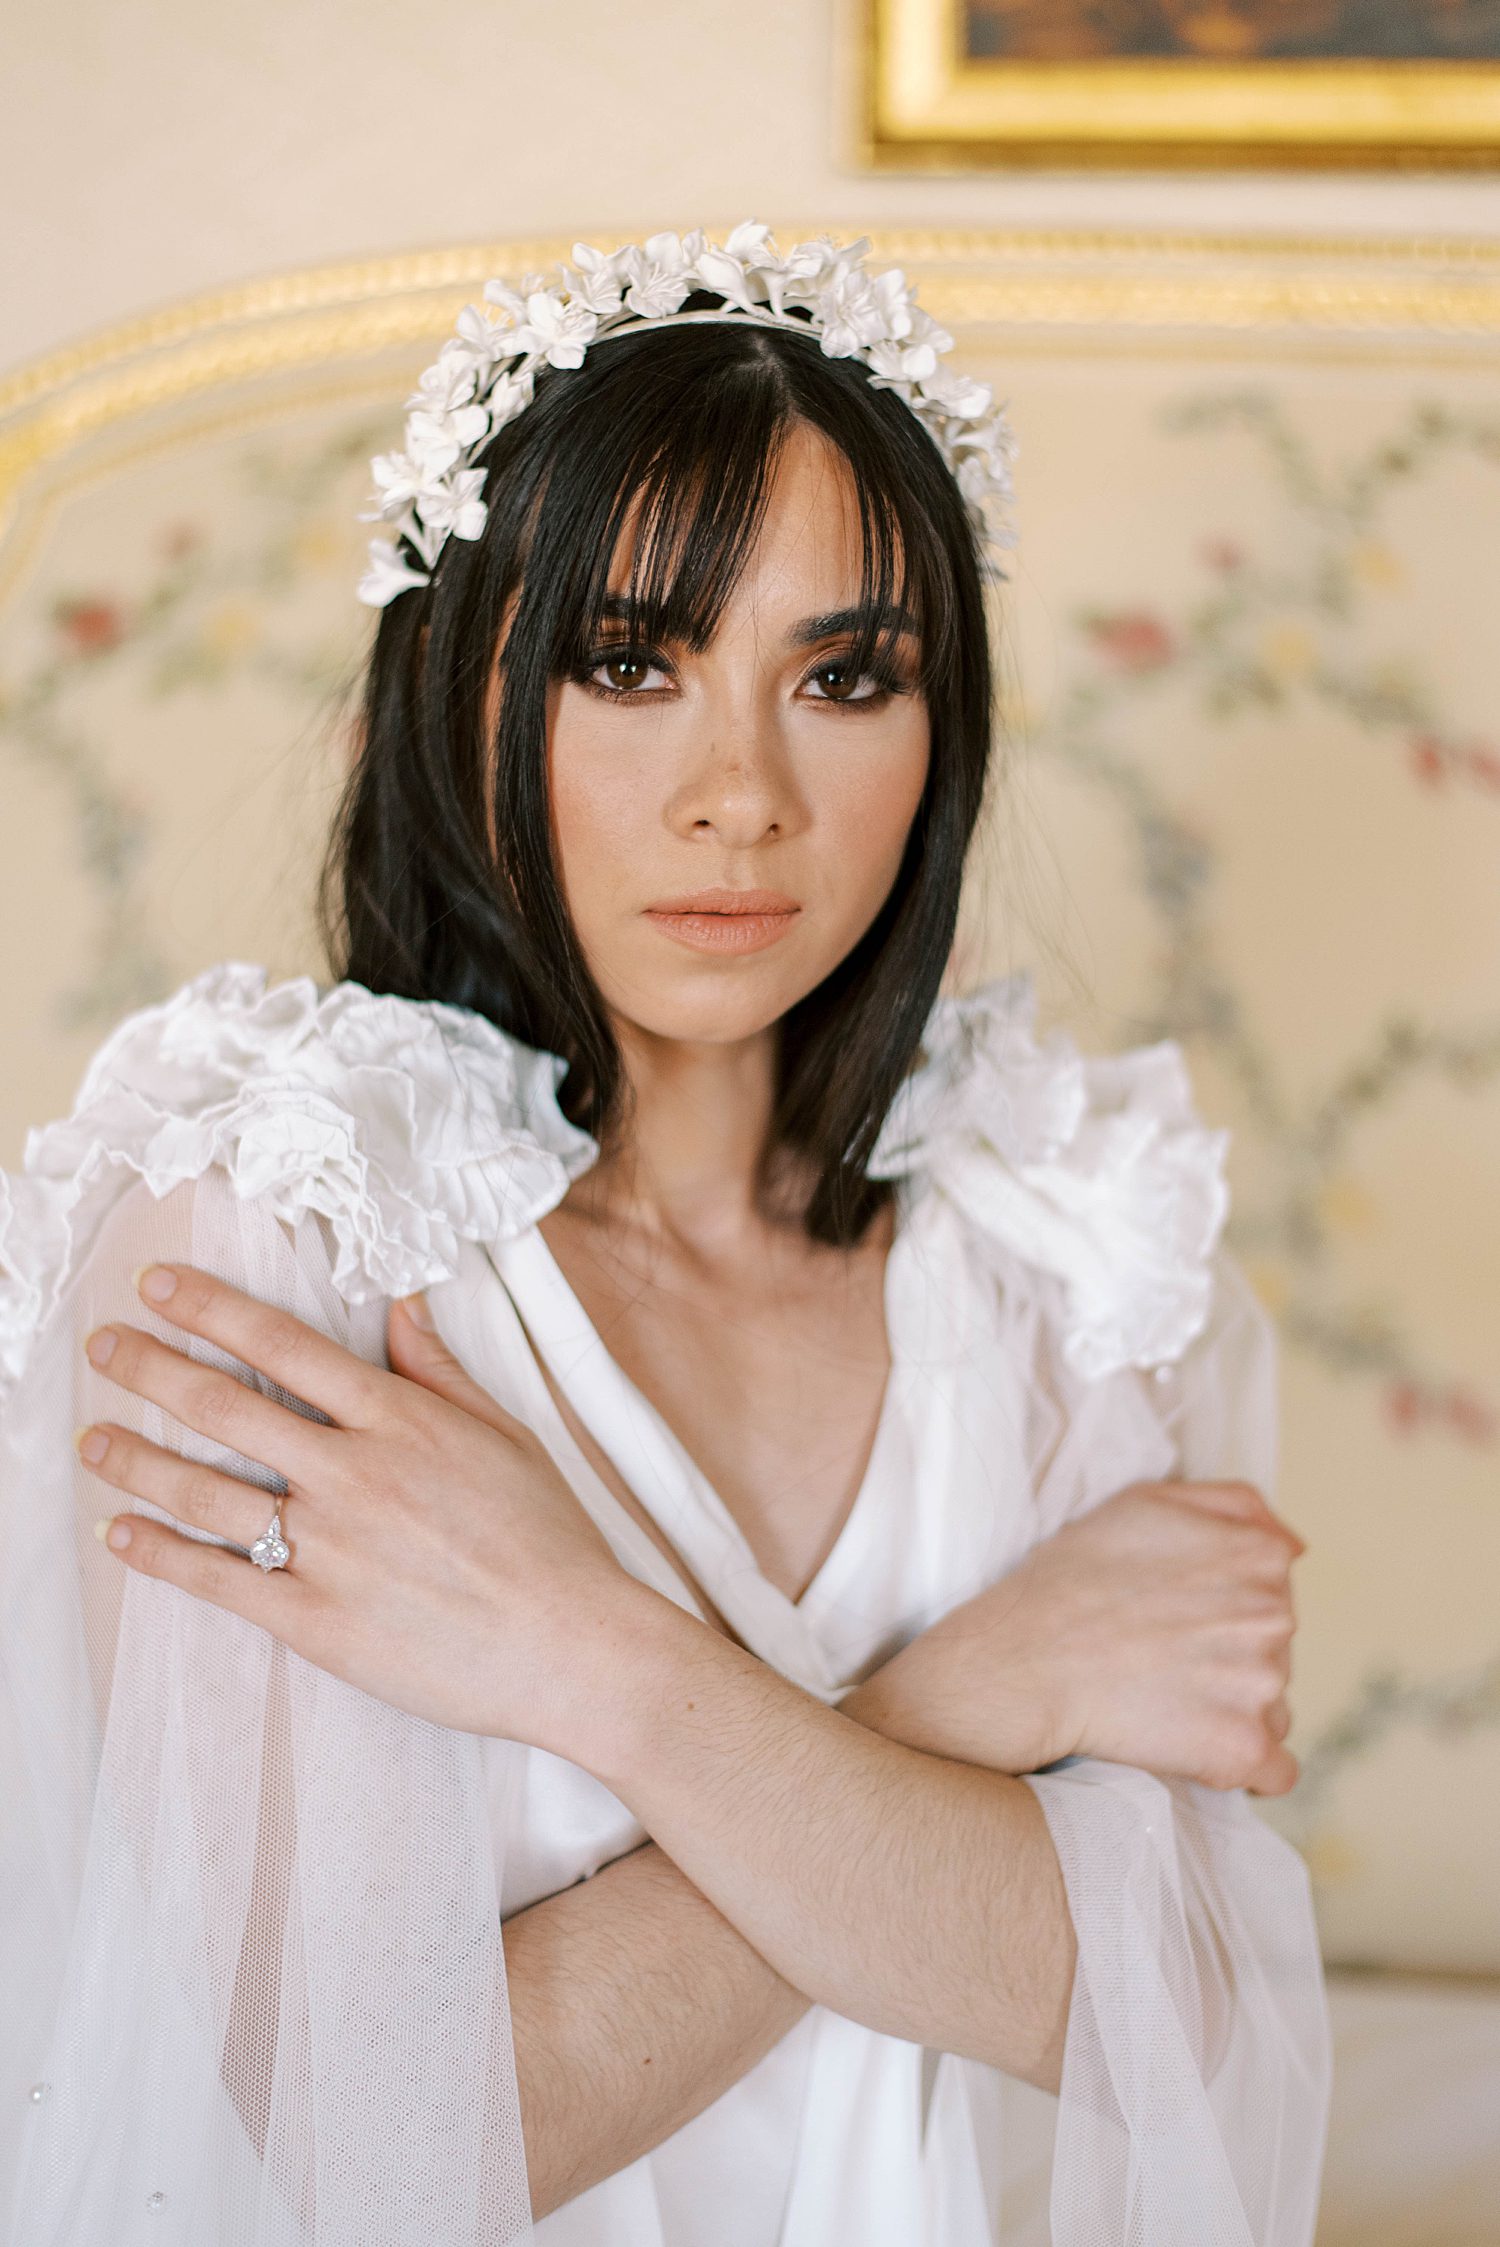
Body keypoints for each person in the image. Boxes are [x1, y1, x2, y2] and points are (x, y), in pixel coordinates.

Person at [0, 224, 1330, 2245]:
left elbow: (1193, 2041)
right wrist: (968, 1698)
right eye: (631, 658)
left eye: (845, 674)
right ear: (461, 692)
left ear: (938, 735)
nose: (744, 793)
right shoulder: (272, 1236)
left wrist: (588, 1656)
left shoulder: (1066, 1252)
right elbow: (380, 2143)